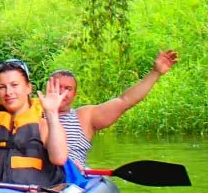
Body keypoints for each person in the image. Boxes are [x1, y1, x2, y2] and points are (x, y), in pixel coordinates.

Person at [47, 50, 179, 167]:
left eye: (68, 89)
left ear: (75, 94)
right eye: (58, 86)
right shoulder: (32, 112)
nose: (62, 92)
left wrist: (155, 73)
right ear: (48, 88)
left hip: (72, 181)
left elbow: (124, 101)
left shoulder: (85, 117)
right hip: (37, 181)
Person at [0, 59, 69, 189]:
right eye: (2, 87)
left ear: (29, 88)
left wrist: (51, 113)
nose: (8, 92)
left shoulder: (44, 126)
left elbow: (59, 158)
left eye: (14, 85)